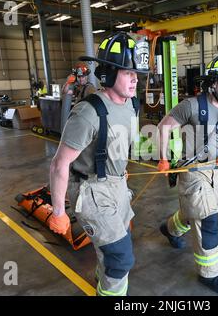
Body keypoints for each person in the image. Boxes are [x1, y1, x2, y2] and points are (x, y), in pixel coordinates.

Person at [48, 32, 149, 296]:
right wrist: (59, 212)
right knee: (121, 259)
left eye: (136, 73)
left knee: (117, 246)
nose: (135, 79)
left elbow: (116, 141)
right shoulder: (88, 111)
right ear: (110, 73)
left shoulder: (131, 105)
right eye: (128, 73)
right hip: (91, 192)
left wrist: (118, 168)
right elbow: (59, 165)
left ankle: (103, 284)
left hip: (116, 185)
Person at [157, 53, 218, 295]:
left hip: (215, 173)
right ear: (213, 83)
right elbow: (163, 127)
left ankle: (170, 228)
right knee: (208, 220)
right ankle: (210, 275)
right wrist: (163, 158)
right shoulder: (191, 106)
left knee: (194, 213)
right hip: (192, 172)